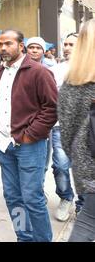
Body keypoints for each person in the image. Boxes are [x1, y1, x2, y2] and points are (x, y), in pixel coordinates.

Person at [0, 29, 58, 242]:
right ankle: (23, 237)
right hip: (4, 144)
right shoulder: (0, 72)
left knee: (32, 198)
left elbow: (51, 109)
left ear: (20, 45)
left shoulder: (39, 72)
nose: (3, 48)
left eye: (8, 43)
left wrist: (29, 135)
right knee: (12, 197)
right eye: (0, 44)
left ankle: (42, 239)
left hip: (29, 146)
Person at [58, 19, 95, 242]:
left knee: (87, 222)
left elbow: (67, 135)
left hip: (88, 167)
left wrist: (79, 156)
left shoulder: (72, 85)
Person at [49, 33, 79, 222]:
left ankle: (84, 205)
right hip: (60, 126)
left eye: (71, 44)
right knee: (60, 166)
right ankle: (66, 197)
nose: (67, 47)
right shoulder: (55, 70)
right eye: (65, 44)